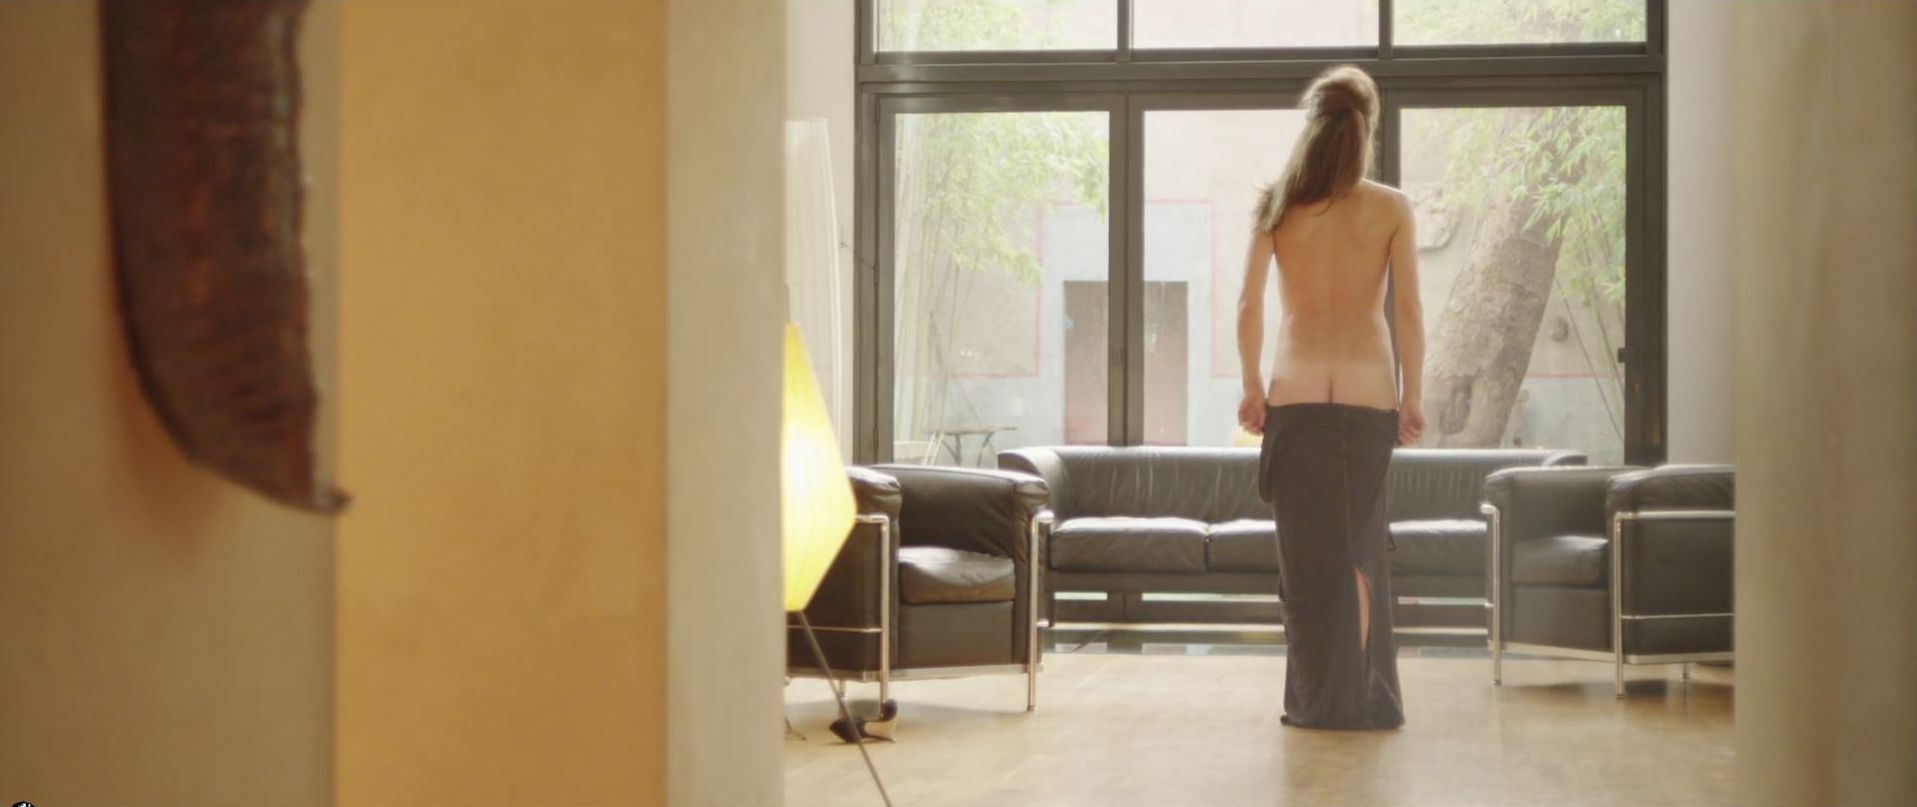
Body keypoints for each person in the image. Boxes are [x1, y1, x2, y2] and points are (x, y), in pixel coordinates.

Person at [1235, 64, 1424, 731]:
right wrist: (1412, 395)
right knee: (1359, 551)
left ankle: (1316, 700)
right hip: (1369, 394)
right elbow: (1408, 311)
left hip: (1296, 393)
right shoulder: (1391, 207)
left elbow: (1248, 305)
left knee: (1307, 559)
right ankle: (1361, 698)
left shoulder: (1276, 205)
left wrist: (1251, 386)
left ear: (1312, 125)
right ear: (1365, 128)